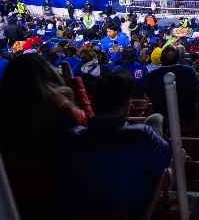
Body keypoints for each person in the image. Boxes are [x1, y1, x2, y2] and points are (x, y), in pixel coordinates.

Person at [60, 74, 171, 218]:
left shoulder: (74, 137)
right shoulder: (142, 135)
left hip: (85, 211)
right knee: (157, 122)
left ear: (93, 102)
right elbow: (164, 161)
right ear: (127, 104)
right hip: (134, 212)